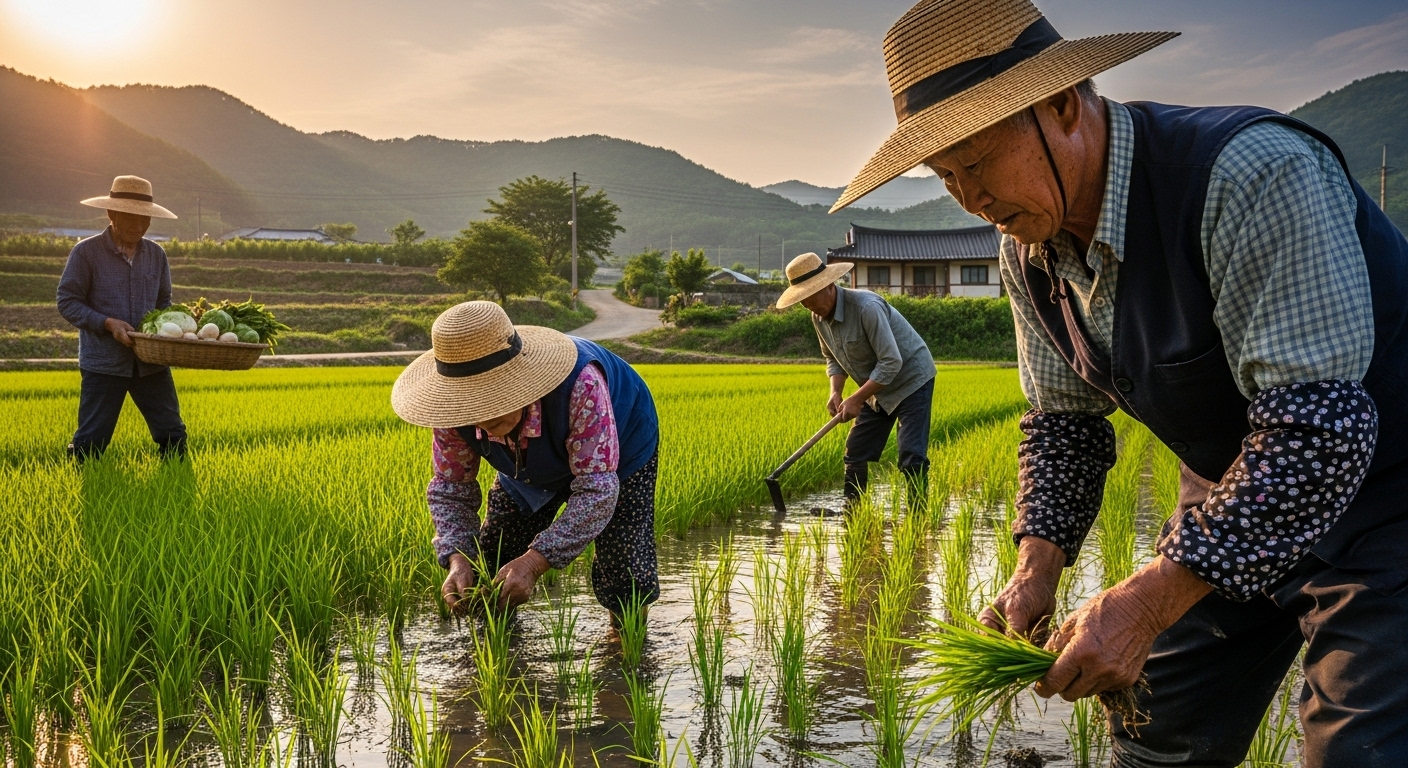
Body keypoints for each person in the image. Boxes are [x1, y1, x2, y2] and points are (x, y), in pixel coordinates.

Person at [831, 0, 1408, 765]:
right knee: (1155, 731)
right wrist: (1036, 569)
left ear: (1063, 105)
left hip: (1387, 501)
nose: (969, 197)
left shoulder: (1251, 176)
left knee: (1357, 752)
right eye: (945, 176)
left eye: (976, 162)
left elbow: (1317, 433)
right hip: (1231, 491)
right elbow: (1063, 421)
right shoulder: (1027, 245)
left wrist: (1145, 601)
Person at [391, 301, 661, 620]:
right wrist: (457, 557)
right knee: (490, 561)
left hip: (622, 448)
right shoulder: (450, 411)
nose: (481, 419)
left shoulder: (580, 385)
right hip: (523, 464)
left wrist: (534, 562)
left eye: (493, 400)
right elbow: (451, 488)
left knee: (624, 571)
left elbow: (597, 492)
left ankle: (626, 645)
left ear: (521, 383)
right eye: (469, 407)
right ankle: (496, 651)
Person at [776, 252, 936, 503]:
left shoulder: (866, 308)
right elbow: (832, 357)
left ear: (828, 286)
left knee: (911, 455)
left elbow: (891, 361)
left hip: (911, 380)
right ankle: (853, 511)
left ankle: (919, 517)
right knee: (856, 451)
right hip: (875, 387)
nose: (807, 305)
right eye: (802, 301)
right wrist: (836, 392)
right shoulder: (818, 317)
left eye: (809, 298)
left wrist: (857, 398)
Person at [57, 175, 187, 461]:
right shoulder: (86, 253)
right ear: (111, 213)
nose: (139, 226)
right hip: (104, 363)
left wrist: (166, 330)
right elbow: (67, 301)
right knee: (90, 443)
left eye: (145, 220)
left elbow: (164, 302)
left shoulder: (156, 255)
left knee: (173, 434)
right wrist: (107, 323)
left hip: (150, 363)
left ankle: (176, 488)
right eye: (131, 218)